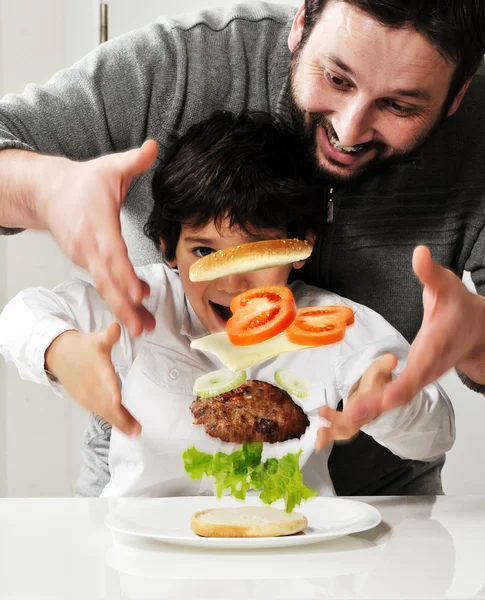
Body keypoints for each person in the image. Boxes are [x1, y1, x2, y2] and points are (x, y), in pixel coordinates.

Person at [0, 0, 484, 496]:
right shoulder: (147, 304)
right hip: (136, 536)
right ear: (301, 23)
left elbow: (431, 429)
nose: (349, 130)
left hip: (343, 534)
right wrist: (45, 189)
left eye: (400, 105)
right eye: (337, 78)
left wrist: (462, 349)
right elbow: (22, 316)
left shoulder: (337, 327)